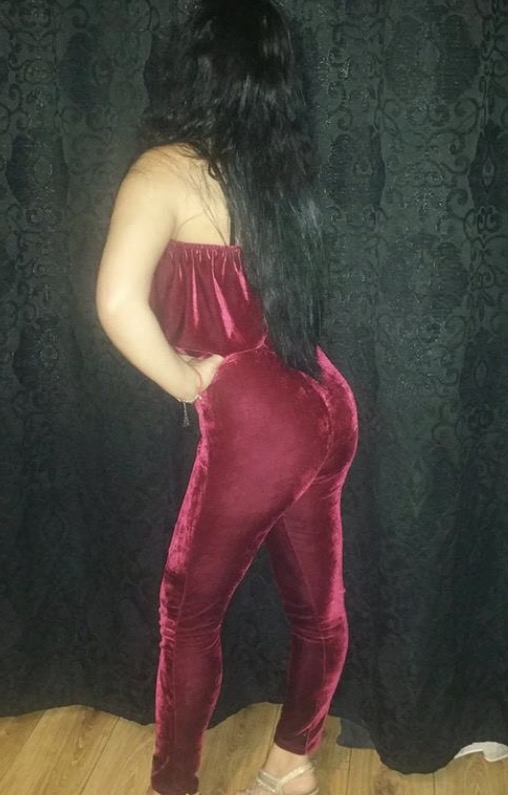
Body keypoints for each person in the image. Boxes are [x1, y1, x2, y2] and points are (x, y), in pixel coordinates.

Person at [95, 1, 358, 793]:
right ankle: (291, 763)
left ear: (194, 67)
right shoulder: (280, 169)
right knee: (317, 607)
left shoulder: (163, 170)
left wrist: (185, 378)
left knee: (188, 613)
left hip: (258, 426)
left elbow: (117, 301)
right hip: (326, 399)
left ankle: (172, 784)